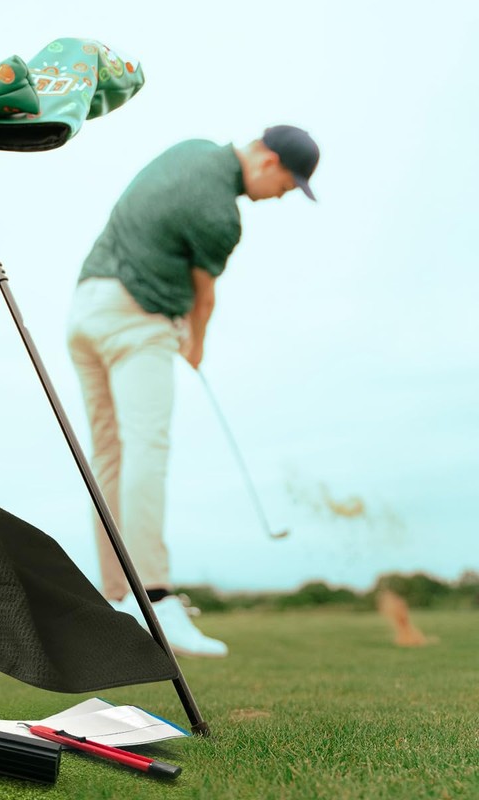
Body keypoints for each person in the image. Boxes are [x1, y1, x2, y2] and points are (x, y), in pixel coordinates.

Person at [66, 125, 320, 657]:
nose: (279, 197)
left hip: (85, 311)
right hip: (135, 321)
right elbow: (204, 300)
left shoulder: (192, 149)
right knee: (147, 450)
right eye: (286, 186)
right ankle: (155, 599)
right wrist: (195, 343)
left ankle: (117, 599)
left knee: (108, 457)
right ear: (269, 161)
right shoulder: (223, 216)